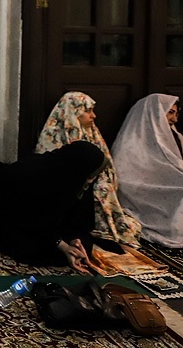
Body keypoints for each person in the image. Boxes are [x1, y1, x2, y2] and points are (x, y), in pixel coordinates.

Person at [36, 91, 142, 247]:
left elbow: (104, 164)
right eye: (88, 111)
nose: (93, 116)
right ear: (73, 112)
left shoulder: (91, 133)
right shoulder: (56, 137)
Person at [112, 94, 183, 247]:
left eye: (176, 114)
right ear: (154, 113)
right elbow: (125, 180)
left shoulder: (177, 138)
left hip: (175, 194)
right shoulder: (131, 142)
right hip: (148, 198)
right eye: (170, 112)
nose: (174, 119)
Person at [0, 140, 106, 272]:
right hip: (20, 224)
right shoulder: (33, 172)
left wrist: (75, 239)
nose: (90, 181)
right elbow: (29, 217)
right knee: (35, 249)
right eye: (90, 177)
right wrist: (61, 245)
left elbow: (76, 216)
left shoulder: (76, 178)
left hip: (51, 226)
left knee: (84, 245)